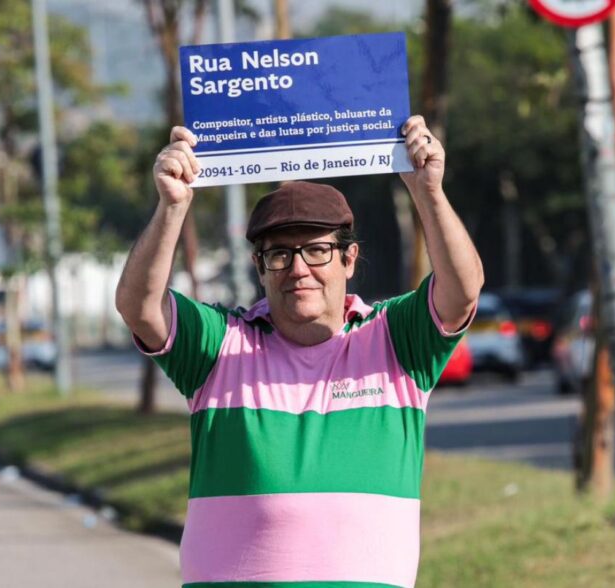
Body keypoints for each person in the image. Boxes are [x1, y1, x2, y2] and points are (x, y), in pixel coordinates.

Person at [116, 115, 483, 588]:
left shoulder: (395, 339)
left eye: (316, 251)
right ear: (260, 268)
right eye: (279, 254)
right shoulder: (220, 346)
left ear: (349, 259)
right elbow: (138, 306)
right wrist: (172, 205)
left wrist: (427, 192)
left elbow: (463, 290)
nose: (297, 269)